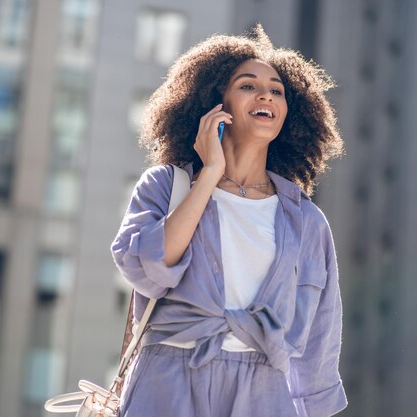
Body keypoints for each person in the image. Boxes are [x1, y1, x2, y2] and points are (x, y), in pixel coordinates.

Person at [111, 24, 347, 417]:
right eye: (247, 85)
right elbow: (150, 269)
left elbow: (319, 344)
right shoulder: (167, 186)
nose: (265, 95)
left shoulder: (306, 221)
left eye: (276, 91)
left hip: (263, 393)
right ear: (215, 103)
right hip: (168, 382)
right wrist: (209, 174)